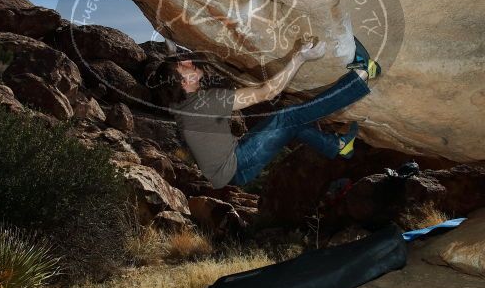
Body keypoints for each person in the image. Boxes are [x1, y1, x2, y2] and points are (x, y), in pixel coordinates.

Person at [149, 36, 381, 189]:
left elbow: (166, 84)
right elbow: (267, 92)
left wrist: (171, 53)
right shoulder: (203, 104)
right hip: (237, 164)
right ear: (182, 83)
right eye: (184, 65)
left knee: (287, 123)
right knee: (287, 117)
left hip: (232, 166)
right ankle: (363, 75)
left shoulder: (181, 104)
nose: (189, 61)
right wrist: (299, 57)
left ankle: (338, 146)